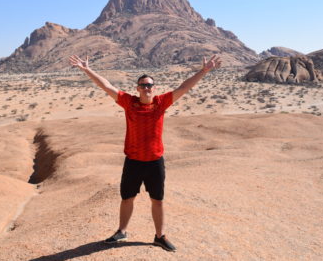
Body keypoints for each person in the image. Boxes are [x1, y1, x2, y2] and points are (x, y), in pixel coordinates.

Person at [68, 54, 222, 252]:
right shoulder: (129, 103)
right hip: (133, 161)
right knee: (127, 198)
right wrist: (87, 70)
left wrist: (204, 70)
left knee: (157, 200)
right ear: (138, 88)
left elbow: (184, 87)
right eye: (143, 85)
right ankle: (122, 231)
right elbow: (107, 86)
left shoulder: (161, 102)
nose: (147, 88)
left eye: (150, 85)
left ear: (153, 88)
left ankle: (160, 236)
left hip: (154, 162)